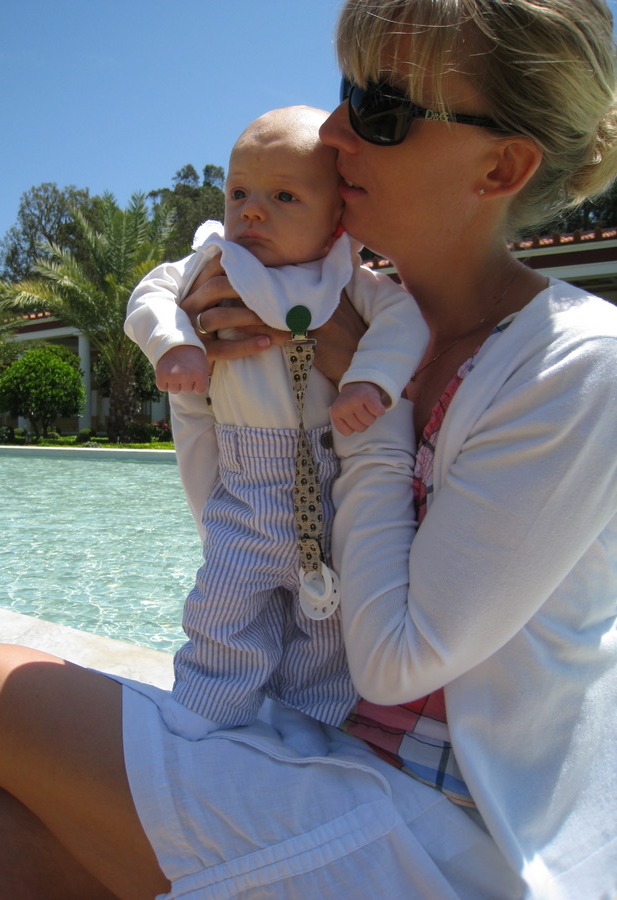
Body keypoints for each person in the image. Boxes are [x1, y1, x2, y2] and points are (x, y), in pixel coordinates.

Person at [0, 0, 616, 897]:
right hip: (308, 742)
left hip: (450, 830)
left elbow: (397, 663)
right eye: (344, 92)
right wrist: (215, 379)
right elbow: (247, 530)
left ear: (500, 166)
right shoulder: (336, 307)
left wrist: (366, 400)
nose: (333, 131)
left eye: (379, 109)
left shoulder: (572, 362)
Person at [124, 105, 428, 738]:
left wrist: (369, 379)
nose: (252, 212)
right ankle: (205, 714)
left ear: (337, 218)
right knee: (224, 607)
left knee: (327, 627)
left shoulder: (347, 280)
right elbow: (150, 296)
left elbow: (402, 323)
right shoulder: (213, 263)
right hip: (245, 490)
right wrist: (174, 343)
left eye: (284, 196)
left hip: (330, 492)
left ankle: (309, 724)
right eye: (239, 193)